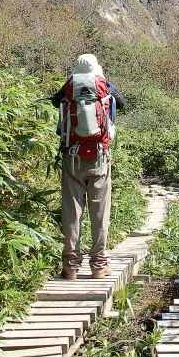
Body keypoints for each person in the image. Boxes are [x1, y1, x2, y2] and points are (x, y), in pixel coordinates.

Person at [51, 53, 126, 279]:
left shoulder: (70, 87)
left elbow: (55, 101)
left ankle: (71, 266)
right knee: (99, 211)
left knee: (72, 211)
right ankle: (99, 265)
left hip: (72, 158)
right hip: (100, 157)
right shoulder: (105, 86)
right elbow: (121, 103)